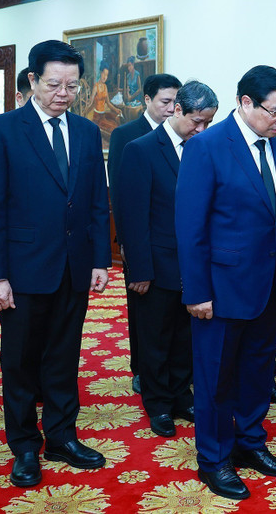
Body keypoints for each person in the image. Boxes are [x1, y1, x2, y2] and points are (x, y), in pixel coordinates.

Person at [0, 40, 111, 487]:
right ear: (32, 80)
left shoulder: (89, 133)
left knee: (63, 357)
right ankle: (25, 447)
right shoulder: (2, 130)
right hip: (22, 268)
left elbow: (96, 204)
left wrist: (100, 259)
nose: (63, 93)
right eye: (54, 84)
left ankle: (61, 436)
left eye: (72, 85)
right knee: (19, 361)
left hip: (74, 266)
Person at [176, 65, 276, 501]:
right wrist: (197, 292)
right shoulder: (206, 147)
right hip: (220, 288)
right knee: (215, 379)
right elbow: (189, 228)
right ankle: (214, 459)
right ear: (245, 103)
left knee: (258, 371)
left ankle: (250, 443)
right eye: (275, 112)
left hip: (270, 283)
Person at [118, 81, 217, 438]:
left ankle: (180, 395)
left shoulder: (205, 149)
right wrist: (140, 269)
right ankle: (157, 404)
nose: (201, 129)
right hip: (156, 265)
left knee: (185, 336)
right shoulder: (141, 150)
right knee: (155, 338)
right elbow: (133, 216)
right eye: (196, 121)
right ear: (176, 110)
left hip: (194, 265)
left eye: (208, 122)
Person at [108, 73, 182, 395]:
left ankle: (172, 374)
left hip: (172, 242)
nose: (170, 108)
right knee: (142, 310)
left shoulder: (186, 136)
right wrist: (124, 242)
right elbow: (123, 197)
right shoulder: (127, 135)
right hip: (137, 239)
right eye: (164, 102)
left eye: (174, 103)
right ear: (147, 100)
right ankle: (141, 368)